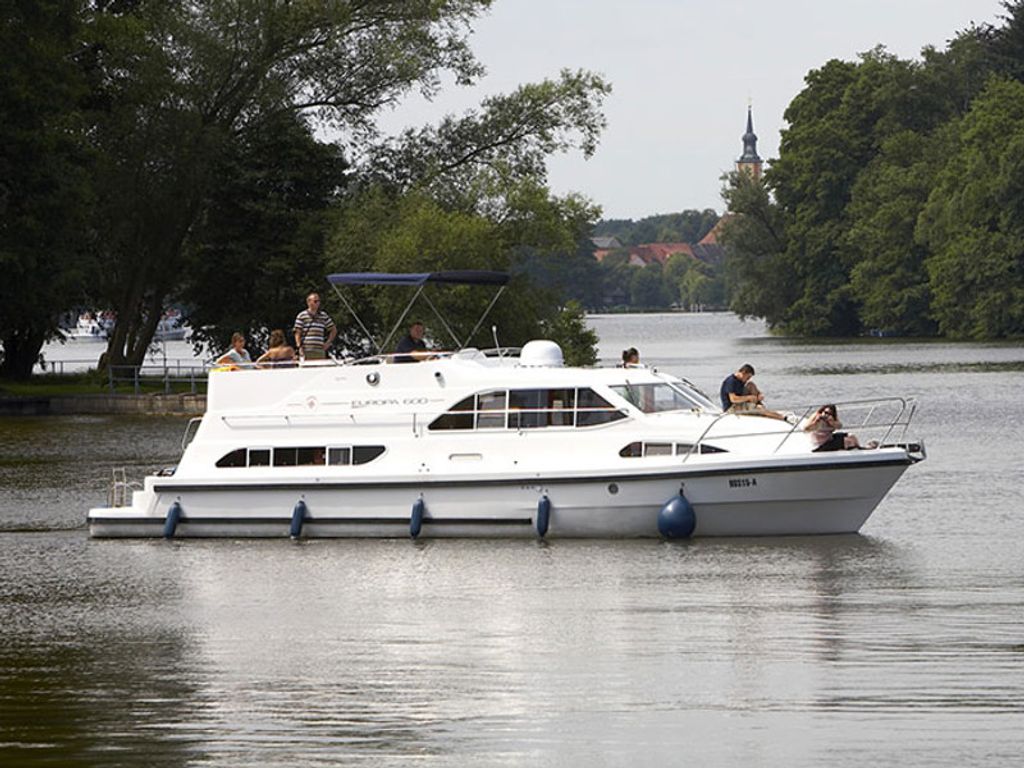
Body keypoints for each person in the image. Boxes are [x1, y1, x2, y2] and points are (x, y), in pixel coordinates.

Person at [719, 363, 786, 420]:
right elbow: (733, 399)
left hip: (739, 403)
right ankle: (782, 417)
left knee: (751, 384)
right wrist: (749, 397)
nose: (748, 379)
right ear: (743, 373)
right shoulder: (731, 381)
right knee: (760, 409)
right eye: (748, 377)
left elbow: (750, 387)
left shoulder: (741, 380)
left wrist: (759, 394)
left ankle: (758, 405)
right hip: (732, 408)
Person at [294, 292, 336, 361]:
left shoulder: (323, 315)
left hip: (319, 350)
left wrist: (328, 343)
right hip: (306, 349)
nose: (318, 303)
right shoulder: (302, 316)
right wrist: (299, 347)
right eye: (315, 301)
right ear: (308, 302)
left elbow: (333, 330)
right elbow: (297, 333)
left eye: (319, 301)